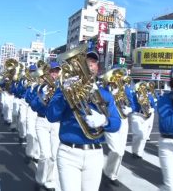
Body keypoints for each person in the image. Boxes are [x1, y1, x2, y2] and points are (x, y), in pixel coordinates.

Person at [46, 51, 121, 191]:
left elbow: (116, 124)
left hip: (95, 153)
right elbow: (51, 116)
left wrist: (104, 120)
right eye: (86, 63)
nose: (89, 66)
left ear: (97, 68)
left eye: (93, 63)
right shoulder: (64, 89)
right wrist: (64, 94)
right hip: (68, 153)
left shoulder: (104, 94)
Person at [31, 61, 62, 191]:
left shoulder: (62, 88)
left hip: (56, 123)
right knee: (44, 154)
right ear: (47, 73)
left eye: (56, 71)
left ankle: (50, 181)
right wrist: (43, 96)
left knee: (54, 155)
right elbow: (33, 105)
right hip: (42, 122)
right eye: (52, 71)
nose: (54, 74)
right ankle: (39, 180)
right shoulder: (39, 87)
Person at [102, 68, 134, 187]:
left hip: (123, 121)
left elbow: (133, 104)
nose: (117, 78)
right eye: (115, 76)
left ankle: (112, 175)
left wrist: (130, 109)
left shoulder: (125, 89)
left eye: (119, 76)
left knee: (120, 152)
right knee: (115, 149)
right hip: (110, 122)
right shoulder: (105, 90)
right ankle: (107, 171)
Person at [129, 81, 156, 159]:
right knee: (138, 135)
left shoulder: (149, 97)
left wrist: (152, 109)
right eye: (141, 89)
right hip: (136, 115)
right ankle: (134, 151)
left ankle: (139, 153)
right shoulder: (134, 96)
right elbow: (133, 106)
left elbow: (154, 106)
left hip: (146, 116)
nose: (143, 90)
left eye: (144, 89)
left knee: (143, 136)